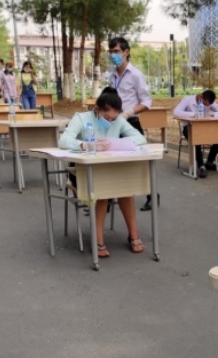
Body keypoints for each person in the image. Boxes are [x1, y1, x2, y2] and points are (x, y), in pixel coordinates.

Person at [58, 87, 147, 257]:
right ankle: (98, 240)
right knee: (102, 191)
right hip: (82, 172)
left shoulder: (118, 121)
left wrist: (115, 143)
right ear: (97, 109)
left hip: (110, 169)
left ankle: (134, 236)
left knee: (126, 189)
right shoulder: (81, 118)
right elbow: (63, 140)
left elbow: (140, 138)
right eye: (107, 118)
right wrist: (84, 145)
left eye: (114, 118)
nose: (111, 122)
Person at [107, 36, 159, 211]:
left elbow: (147, 102)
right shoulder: (112, 76)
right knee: (109, 160)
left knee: (140, 161)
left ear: (126, 52)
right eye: (111, 52)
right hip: (114, 123)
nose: (113, 55)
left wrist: (128, 112)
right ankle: (106, 199)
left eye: (116, 51)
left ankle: (152, 195)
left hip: (131, 122)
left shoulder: (136, 75)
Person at [173, 89, 218, 178]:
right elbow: (176, 112)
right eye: (205, 104)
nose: (206, 106)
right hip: (189, 128)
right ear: (201, 97)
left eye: (208, 105)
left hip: (204, 128)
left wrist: (212, 115)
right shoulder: (187, 100)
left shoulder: (209, 101)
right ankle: (201, 166)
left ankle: (209, 162)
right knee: (196, 139)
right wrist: (194, 114)